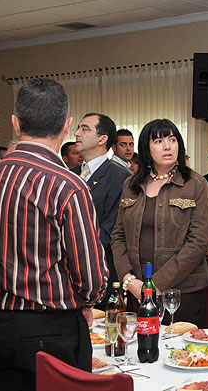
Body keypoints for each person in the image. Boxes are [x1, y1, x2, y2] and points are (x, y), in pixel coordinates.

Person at [0, 78, 108, 390]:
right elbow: (91, 276)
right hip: (51, 331)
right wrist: (88, 301)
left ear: (16, 124)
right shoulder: (68, 186)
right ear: (67, 126)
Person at [111, 119, 208, 325]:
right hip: (137, 289)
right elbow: (118, 236)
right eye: (158, 141)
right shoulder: (131, 184)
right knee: (143, 349)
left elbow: (198, 242)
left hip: (183, 291)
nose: (167, 146)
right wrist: (129, 280)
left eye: (172, 139)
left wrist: (155, 284)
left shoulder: (195, 183)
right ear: (146, 149)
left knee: (180, 352)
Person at [72, 113, 131, 306]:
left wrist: (76, 249)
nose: (76, 133)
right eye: (78, 128)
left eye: (84, 128)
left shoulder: (120, 176)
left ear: (102, 139)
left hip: (102, 270)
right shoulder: (70, 175)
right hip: (69, 272)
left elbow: (112, 228)